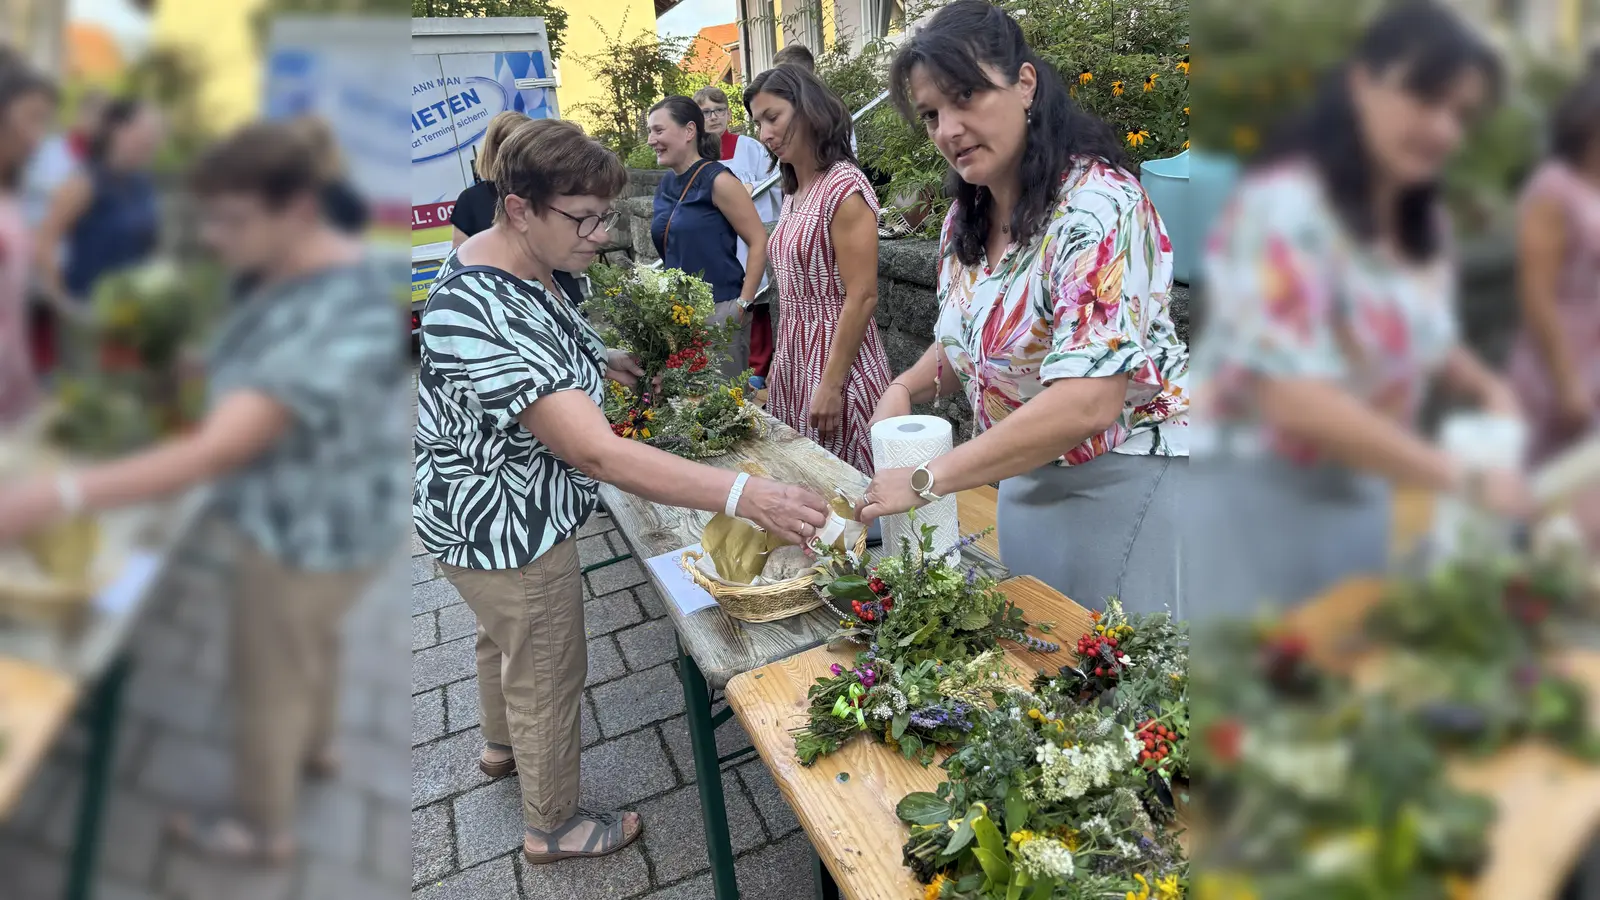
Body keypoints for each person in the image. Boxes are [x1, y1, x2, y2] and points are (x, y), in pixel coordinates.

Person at [414, 117, 828, 865]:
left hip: (469, 519)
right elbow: (596, 452)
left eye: (605, 215)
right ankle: (553, 826)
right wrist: (745, 494)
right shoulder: (483, 308)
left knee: (500, 636)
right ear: (519, 208)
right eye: (584, 218)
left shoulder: (507, 258)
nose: (601, 235)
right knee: (547, 665)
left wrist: (599, 356)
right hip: (510, 526)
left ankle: (501, 748)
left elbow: (547, 337)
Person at [0, 121, 411, 862]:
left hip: (300, 533)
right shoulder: (313, 266)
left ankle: (262, 828)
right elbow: (252, 364)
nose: (216, 239)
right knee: (313, 643)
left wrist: (56, 494)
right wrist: (191, 366)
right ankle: (317, 748)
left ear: (297, 209)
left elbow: (218, 450)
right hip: (345, 522)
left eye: (232, 221)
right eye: (209, 220)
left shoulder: (328, 311)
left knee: (268, 676)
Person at [1188, 0, 1530, 619]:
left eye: (1461, 114)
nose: (1444, 129)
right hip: (1252, 506)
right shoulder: (1283, 208)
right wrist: (1459, 477)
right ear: (1361, 83)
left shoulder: (1424, 224)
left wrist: (1488, 388)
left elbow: (1424, 335)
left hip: (1360, 498)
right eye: (1425, 97)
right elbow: (1291, 396)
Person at [854, 0, 1188, 613]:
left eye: (966, 97)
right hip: (1021, 476)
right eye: (931, 115)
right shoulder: (968, 217)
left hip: (1119, 484)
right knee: (1035, 657)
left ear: (1025, 84)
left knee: (1110, 662)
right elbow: (971, 342)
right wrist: (905, 386)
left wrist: (928, 478)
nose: (948, 129)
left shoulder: (1100, 207)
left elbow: (1089, 399)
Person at [746, 65, 892, 474]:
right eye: (758, 123)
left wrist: (831, 384)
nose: (765, 134)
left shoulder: (844, 188)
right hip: (796, 357)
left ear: (808, 109)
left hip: (838, 365)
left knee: (851, 485)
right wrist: (781, 365)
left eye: (773, 117)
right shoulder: (794, 189)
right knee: (808, 483)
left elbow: (862, 295)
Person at [1506, 73, 1600, 466]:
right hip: (1562, 358)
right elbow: (1536, 294)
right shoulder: (1554, 189)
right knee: (1548, 479)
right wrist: (1565, 382)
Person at [646, 96, 769, 380]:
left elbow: (758, 240)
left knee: (721, 399)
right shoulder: (666, 183)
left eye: (659, 130)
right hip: (678, 315)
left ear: (689, 130)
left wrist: (742, 305)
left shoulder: (719, 180)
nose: (651, 140)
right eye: (650, 131)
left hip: (719, 312)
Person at [34, 98, 164, 324]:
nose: (154, 139)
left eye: (157, 133)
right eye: (147, 131)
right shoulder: (84, 182)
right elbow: (46, 238)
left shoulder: (143, 185)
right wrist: (60, 301)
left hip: (132, 314)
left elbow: (150, 248)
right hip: (88, 313)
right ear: (118, 130)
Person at [696, 85, 779, 381]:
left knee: (754, 299)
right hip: (715, 240)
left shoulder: (750, 147)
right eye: (706, 112)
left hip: (746, 236)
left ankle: (758, 367)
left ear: (729, 114)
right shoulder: (695, 153)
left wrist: (751, 188)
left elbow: (774, 184)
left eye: (719, 110)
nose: (714, 117)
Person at [0, 59, 56, 425]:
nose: (38, 135)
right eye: (31, 118)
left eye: (45, 122)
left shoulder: (12, 193)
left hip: (13, 380)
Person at [450, 109, 529, 247]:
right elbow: (460, 256)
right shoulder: (471, 200)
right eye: (517, 148)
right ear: (495, 150)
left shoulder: (549, 191)